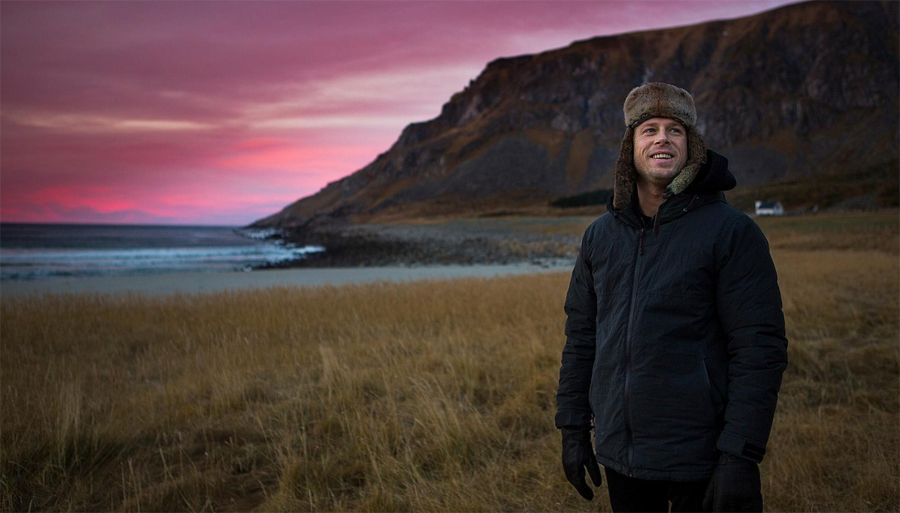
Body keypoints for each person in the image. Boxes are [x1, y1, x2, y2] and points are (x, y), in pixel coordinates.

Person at [555, 83, 788, 512]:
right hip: (622, 453)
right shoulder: (600, 236)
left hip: (703, 455)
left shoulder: (731, 232)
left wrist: (740, 454)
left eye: (674, 130)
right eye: (649, 130)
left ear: (691, 146)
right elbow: (582, 338)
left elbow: (759, 347)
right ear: (630, 148)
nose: (662, 138)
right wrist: (572, 429)